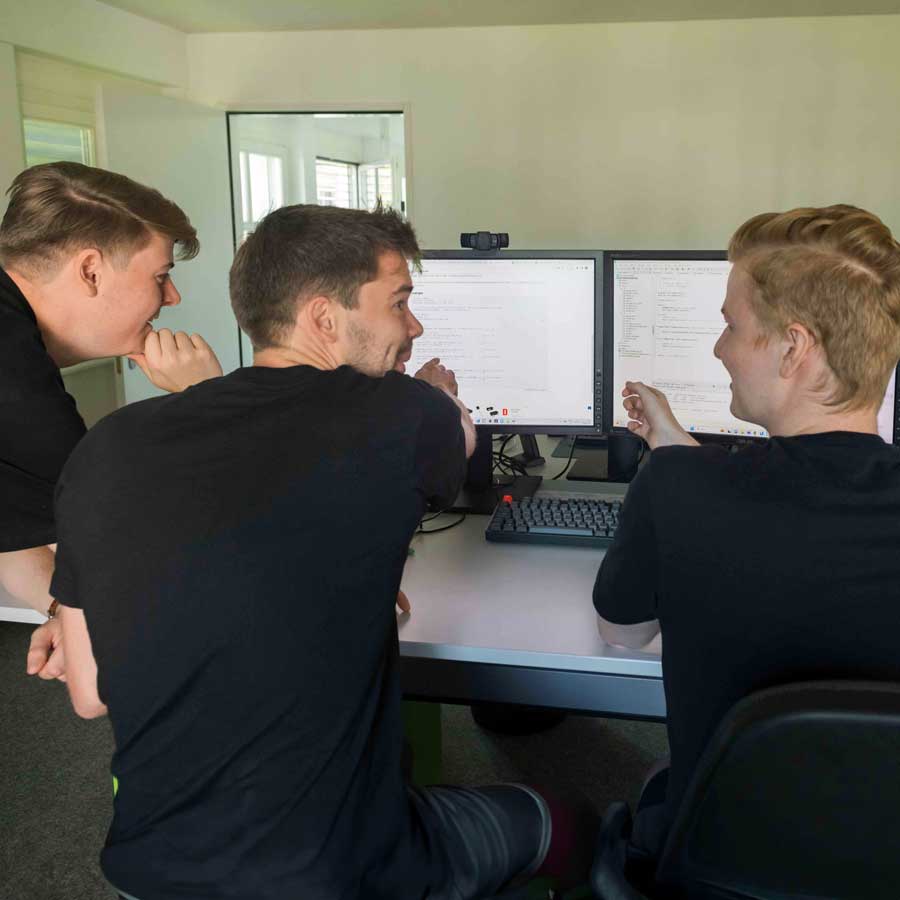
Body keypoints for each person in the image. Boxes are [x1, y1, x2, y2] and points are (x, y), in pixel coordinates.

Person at [52, 204, 577, 899]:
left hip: (148, 874)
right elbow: (459, 438)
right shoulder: (404, 417)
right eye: (399, 303)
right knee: (566, 822)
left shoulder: (105, 447)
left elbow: (89, 694)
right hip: (336, 874)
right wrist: (438, 399)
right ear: (325, 320)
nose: (413, 327)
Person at [594, 204, 900, 863]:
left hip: (724, 860)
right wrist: (678, 450)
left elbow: (621, 634)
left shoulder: (677, 488)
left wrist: (672, 468)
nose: (719, 347)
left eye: (732, 325)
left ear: (793, 349)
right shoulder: (684, 479)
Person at [0, 162, 223, 680]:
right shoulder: (14, 377)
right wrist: (206, 401)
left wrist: (65, 612)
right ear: (91, 270)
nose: (172, 298)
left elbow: (16, 526)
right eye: (161, 277)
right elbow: (141, 544)